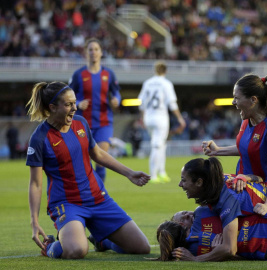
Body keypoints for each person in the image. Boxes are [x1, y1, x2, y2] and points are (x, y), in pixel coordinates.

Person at [26, 82, 150, 259]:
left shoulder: (81, 123)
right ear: (52, 107)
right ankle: (51, 247)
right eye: (68, 104)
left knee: (141, 247)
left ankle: (102, 241)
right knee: (76, 250)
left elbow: (98, 154)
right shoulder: (39, 138)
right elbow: (36, 184)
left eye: (74, 103)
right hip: (67, 204)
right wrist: (34, 221)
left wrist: (129, 173)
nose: (74, 108)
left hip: (98, 198)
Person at [202, 74, 267, 217]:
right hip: (243, 182)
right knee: (209, 182)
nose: (233, 102)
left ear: (253, 100)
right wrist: (218, 151)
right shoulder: (246, 119)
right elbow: (248, 148)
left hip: (262, 188)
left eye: (236, 98)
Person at [69, 38, 121, 183]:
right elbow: (68, 95)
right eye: (90, 49)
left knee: (101, 158)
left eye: (96, 49)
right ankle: (87, 190)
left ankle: (100, 194)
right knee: (84, 161)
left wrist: (117, 100)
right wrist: (78, 103)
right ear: (86, 53)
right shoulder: (78, 74)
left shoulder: (109, 74)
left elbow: (116, 93)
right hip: (83, 123)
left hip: (104, 122)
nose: (93, 52)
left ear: (101, 52)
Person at [137, 60, 186, 183]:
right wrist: (180, 119)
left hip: (149, 117)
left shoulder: (147, 83)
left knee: (161, 144)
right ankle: (153, 175)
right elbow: (172, 104)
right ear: (165, 71)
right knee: (157, 145)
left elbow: (141, 104)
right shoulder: (166, 83)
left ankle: (162, 172)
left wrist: (142, 118)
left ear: (155, 70)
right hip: (160, 117)